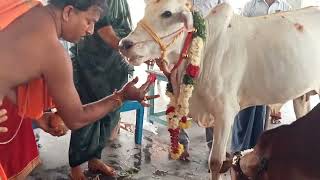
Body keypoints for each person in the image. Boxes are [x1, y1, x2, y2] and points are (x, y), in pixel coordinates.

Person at [0, 0, 156, 131]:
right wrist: (122, 96)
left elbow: (8, 72)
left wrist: (38, 117)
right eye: (89, 21)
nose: (90, 30)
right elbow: (76, 119)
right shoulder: (54, 54)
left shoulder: (25, 8)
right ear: (68, 12)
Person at [68, 0, 134, 178]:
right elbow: (103, 28)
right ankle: (75, 166)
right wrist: (129, 50)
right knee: (88, 113)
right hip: (94, 63)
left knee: (110, 113)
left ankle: (94, 158)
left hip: (116, 62)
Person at [230, 0, 292, 153]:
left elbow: (289, 38)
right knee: (244, 108)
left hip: (270, 67)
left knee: (261, 111)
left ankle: (255, 151)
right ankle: (238, 151)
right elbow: (239, 31)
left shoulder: (285, 7)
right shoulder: (251, 6)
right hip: (249, 64)